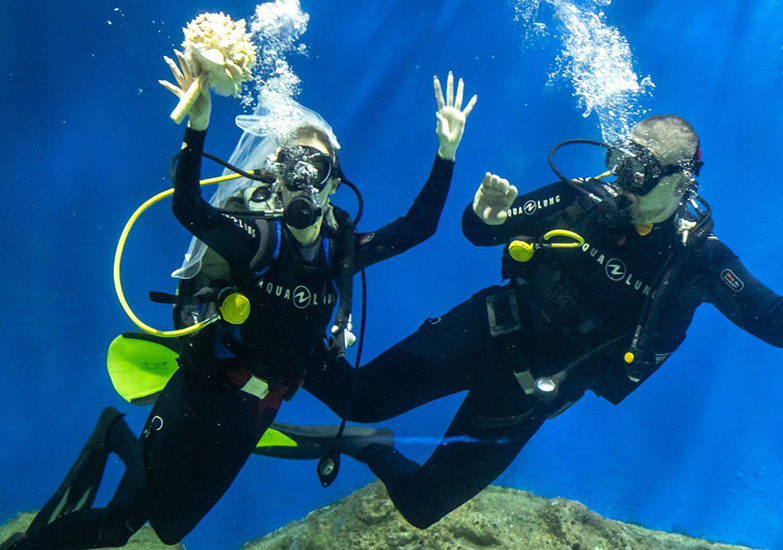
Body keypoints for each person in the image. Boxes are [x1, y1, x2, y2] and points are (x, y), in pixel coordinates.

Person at [270, 114, 783, 529]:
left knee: (421, 508)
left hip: (529, 392)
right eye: (619, 164)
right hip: (489, 325)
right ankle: (261, 343)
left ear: (681, 180)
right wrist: (484, 215)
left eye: (639, 176)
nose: (621, 184)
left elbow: (777, 323)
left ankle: (369, 446)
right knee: (361, 396)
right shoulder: (583, 199)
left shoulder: (698, 260)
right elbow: (482, 232)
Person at [0, 50, 477, 550]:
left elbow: (417, 228)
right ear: (275, 173)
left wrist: (446, 154)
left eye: (316, 164)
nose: (303, 176)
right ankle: (98, 450)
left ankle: (348, 442)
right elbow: (189, 209)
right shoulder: (257, 237)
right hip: (202, 390)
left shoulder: (342, 248)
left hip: (258, 407)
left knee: (170, 530)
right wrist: (197, 128)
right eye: (291, 162)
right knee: (124, 522)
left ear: (335, 179)